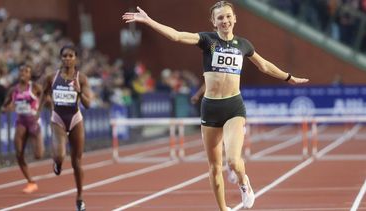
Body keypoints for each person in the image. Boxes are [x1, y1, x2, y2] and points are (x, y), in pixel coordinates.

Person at [123, 1, 309, 210]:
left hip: (233, 107)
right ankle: (223, 208)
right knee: (214, 168)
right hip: (210, 108)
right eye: (220, 18)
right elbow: (176, 35)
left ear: (234, 18)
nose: (225, 21)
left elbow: (264, 65)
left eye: (228, 16)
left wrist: (289, 78)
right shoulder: (207, 40)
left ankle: (243, 182)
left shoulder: (243, 45)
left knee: (233, 161)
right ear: (213, 22)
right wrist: (148, 21)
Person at [40, 45, 92, 211]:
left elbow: (88, 104)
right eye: (64, 56)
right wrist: (40, 108)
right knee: (61, 156)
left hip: (75, 119)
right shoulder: (51, 77)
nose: (67, 58)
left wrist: (78, 93)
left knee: (77, 162)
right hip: (58, 119)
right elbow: (43, 94)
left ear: (75, 58)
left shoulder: (81, 78)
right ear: (60, 58)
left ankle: (80, 197)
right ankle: (57, 163)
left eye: (70, 56)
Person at [0, 63, 44, 194]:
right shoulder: (13, 90)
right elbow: (5, 105)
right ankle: (31, 182)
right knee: (19, 154)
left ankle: (37, 143)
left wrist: (38, 111)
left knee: (38, 155)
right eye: (21, 72)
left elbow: (45, 97)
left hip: (34, 122)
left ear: (30, 75)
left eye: (26, 72)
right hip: (21, 122)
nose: (23, 74)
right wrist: (5, 108)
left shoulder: (35, 87)